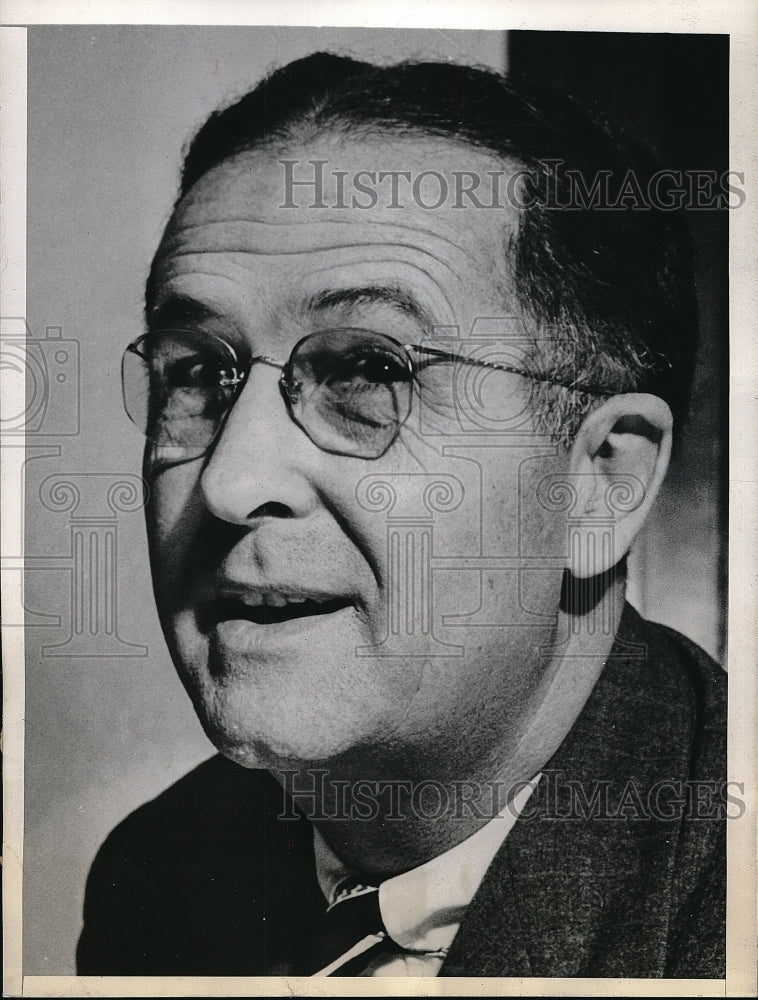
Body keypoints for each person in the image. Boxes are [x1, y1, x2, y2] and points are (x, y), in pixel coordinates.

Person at [76, 53, 726, 978]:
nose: (229, 481)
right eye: (196, 373)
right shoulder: (162, 872)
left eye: (367, 372)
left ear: (600, 484)